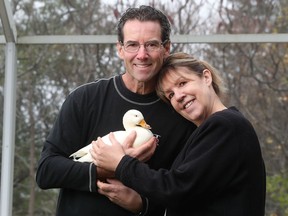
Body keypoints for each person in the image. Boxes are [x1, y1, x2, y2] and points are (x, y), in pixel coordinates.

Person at [36, 6, 196, 216]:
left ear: (166, 48)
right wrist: (108, 167)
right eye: (132, 45)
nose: (142, 54)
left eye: (151, 44)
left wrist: (142, 205)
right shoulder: (86, 99)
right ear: (119, 49)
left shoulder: (180, 114)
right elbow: (46, 171)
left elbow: (185, 193)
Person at [92, 52, 267, 216]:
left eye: (182, 83)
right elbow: (194, 195)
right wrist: (140, 203)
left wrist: (121, 164)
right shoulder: (213, 130)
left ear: (206, 77)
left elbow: (177, 188)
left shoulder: (225, 125)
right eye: (170, 95)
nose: (179, 96)